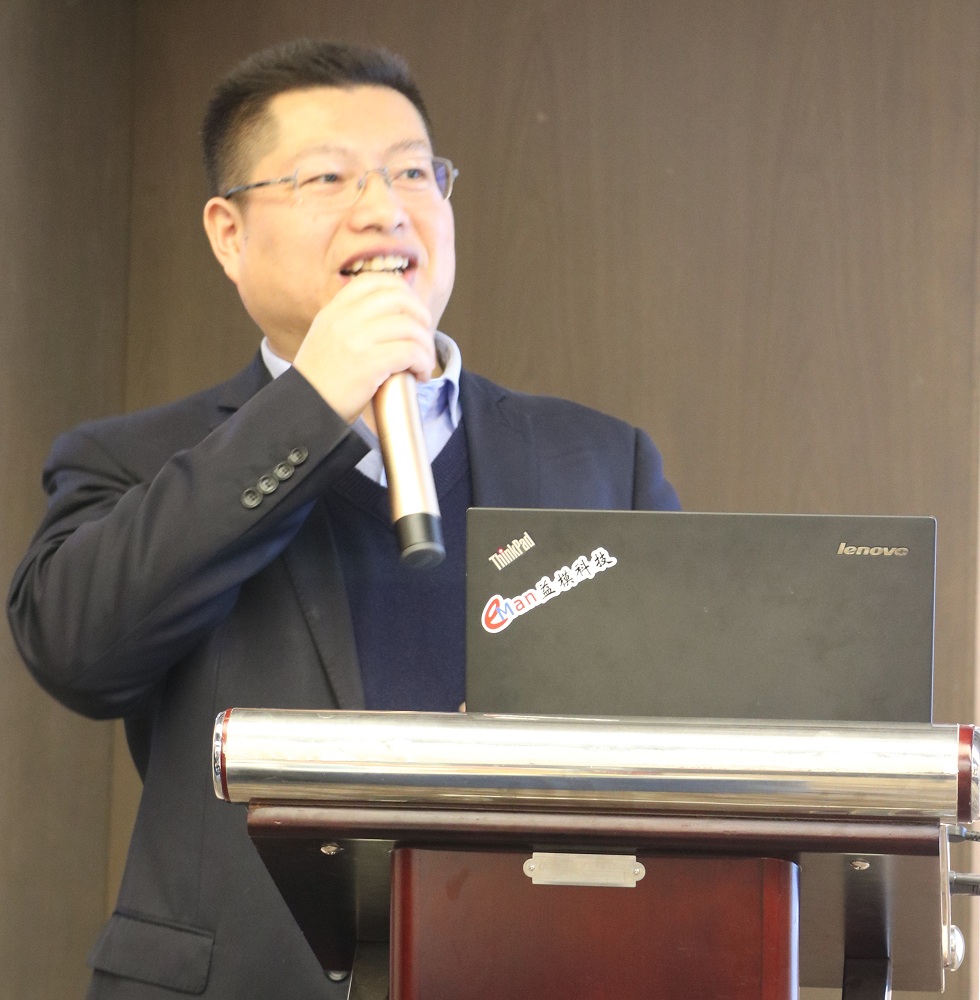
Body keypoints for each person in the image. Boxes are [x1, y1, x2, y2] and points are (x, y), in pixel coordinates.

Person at [7, 39, 680, 999]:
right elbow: (76, 649)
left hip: (535, 968)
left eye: (412, 172)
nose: (383, 207)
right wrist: (310, 408)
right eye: (328, 177)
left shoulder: (602, 461)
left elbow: (687, 738)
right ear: (229, 234)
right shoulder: (133, 460)